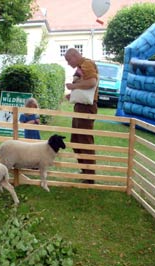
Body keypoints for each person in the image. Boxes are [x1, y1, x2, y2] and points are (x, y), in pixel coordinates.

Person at [64, 48, 98, 184]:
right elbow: (85, 85)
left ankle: (90, 175)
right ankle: (85, 170)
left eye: (68, 60)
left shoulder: (87, 64)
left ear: (74, 55)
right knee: (76, 140)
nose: (68, 63)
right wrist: (72, 95)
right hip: (80, 106)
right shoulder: (81, 66)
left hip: (86, 107)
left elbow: (92, 83)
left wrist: (73, 87)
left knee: (84, 139)